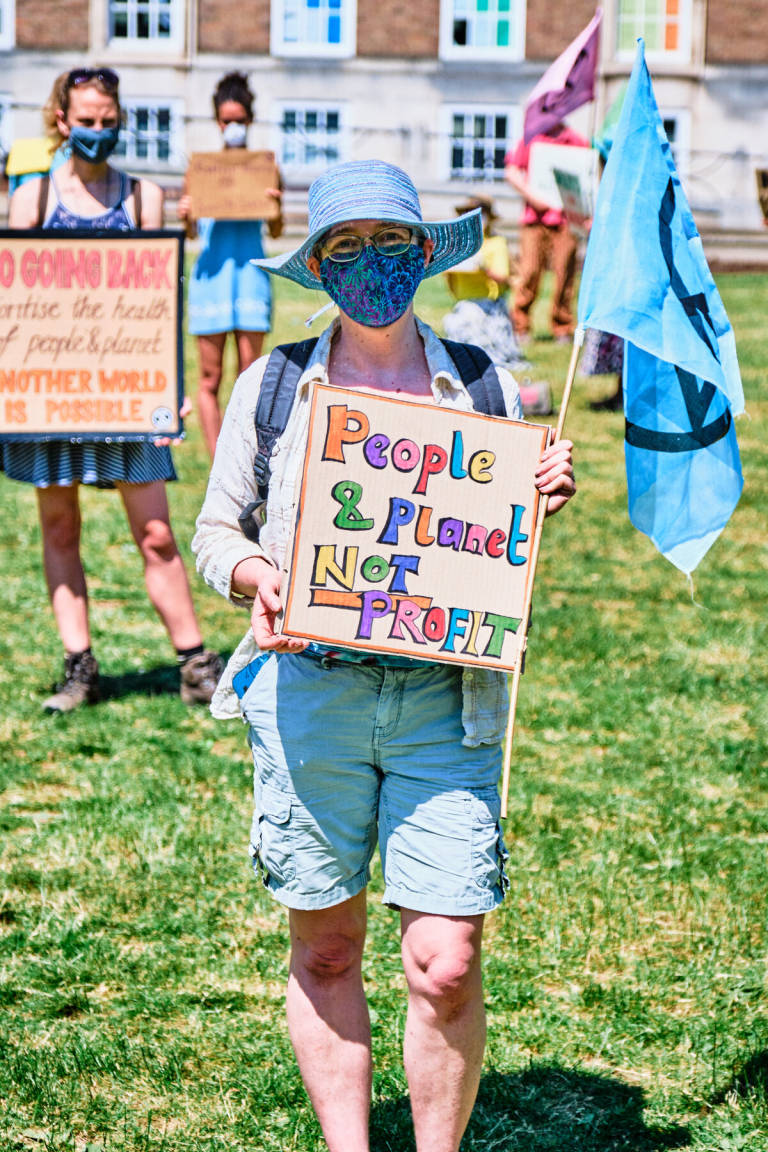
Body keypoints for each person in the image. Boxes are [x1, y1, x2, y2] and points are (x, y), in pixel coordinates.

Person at [194, 160, 575, 1150]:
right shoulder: (273, 385)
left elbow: (483, 542)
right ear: (319, 263)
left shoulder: (480, 381)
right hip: (310, 695)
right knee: (326, 950)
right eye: (349, 247)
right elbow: (213, 534)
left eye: (393, 244)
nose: (373, 266)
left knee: (443, 960)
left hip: (446, 704)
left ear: (426, 255)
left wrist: (535, 492)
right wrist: (254, 579)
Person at [4, 67, 223, 712]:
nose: (98, 131)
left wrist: (169, 387)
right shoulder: (33, 201)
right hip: (49, 395)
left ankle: (194, 664)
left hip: (127, 395)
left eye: (108, 120)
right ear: (62, 121)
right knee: (58, 524)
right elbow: (14, 302)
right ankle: (80, 667)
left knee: (155, 531)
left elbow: (162, 305)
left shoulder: (144, 198)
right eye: (86, 120)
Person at [178, 71, 284, 458]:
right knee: (209, 379)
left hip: (251, 276)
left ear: (250, 120)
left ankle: (248, 458)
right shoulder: (201, 168)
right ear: (217, 121)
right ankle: (219, 464)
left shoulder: (265, 167)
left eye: (240, 119)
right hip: (212, 279)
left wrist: (274, 203)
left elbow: (275, 229)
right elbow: (191, 233)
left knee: (250, 376)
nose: (233, 126)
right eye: (227, 119)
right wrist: (186, 215)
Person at [504, 120, 589, 344]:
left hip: (566, 217)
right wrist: (533, 197)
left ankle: (562, 327)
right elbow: (512, 171)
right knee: (529, 271)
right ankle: (520, 326)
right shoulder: (532, 137)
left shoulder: (576, 140)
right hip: (535, 217)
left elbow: (587, 178)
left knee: (565, 273)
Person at [442, 193, 525, 369]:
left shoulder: (497, 243)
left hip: (490, 307)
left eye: (479, 214)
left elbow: (503, 277)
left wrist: (483, 268)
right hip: (464, 305)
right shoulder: (458, 245)